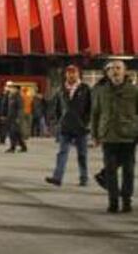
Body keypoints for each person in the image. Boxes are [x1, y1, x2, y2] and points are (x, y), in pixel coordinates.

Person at [91, 59, 137, 213]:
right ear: (107, 73)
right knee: (110, 171)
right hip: (108, 135)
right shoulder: (101, 91)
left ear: (125, 71)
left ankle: (126, 201)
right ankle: (113, 201)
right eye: (111, 69)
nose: (115, 71)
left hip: (128, 136)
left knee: (128, 171)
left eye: (118, 68)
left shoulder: (133, 91)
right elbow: (95, 113)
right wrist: (95, 134)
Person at [45, 65, 91, 187]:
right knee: (62, 153)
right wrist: (57, 122)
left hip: (81, 127)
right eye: (69, 73)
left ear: (78, 74)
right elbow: (57, 108)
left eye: (73, 72)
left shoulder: (85, 89)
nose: (71, 75)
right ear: (66, 74)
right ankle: (57, 177)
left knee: (82, 154)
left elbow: (90, 108)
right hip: (65, 127)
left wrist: (87, 123)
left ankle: (84, 177)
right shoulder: (61, 89)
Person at [4, 83, 28, 153]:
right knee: (17, 133)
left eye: (12, 88)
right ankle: (23, 146)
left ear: (16, 90)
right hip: (10, 117)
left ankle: (12, 147)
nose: (11, 89)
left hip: (15, 118)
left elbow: (20, 109)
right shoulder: (11, 96)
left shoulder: (18, 97)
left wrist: (18, 118)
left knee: (13, 133)